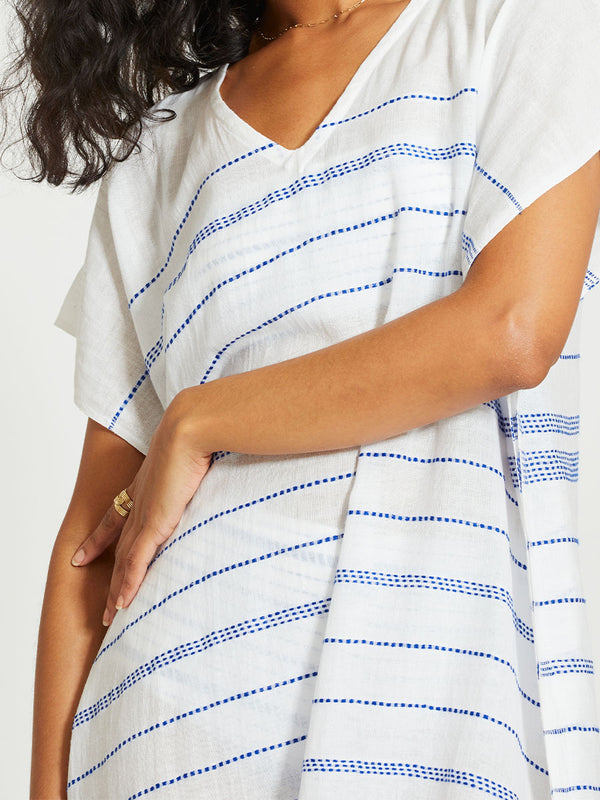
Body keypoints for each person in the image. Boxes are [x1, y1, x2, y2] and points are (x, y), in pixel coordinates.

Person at [3, 0, 598, 796]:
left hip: (437, 707)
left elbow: (511, 329)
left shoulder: (508, 25)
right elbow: (92, 538)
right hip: (165, 724)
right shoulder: (164, 150)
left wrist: (202, 420)